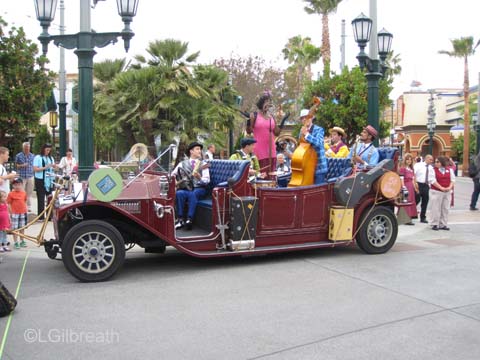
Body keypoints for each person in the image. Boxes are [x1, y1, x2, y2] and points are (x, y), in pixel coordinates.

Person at [172, 142, 210, 230]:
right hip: (187, 188)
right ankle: (180, 219)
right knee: (179, 193)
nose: (199, 151)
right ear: (191, 151)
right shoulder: (182, 163)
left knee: (193, 194)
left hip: (200, 189)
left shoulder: (203, 164)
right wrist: (176, 183)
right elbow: (173, 175)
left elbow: (207, 181)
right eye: (197, 149)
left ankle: (189, 219)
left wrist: (199, 178)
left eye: (200, 149)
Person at [246, 92, 281, 175]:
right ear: (261, 104)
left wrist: (281, 122)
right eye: (266, 102)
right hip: (259, 151)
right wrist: (248, 121)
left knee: (272, 175)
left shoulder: (271, 117)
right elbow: (249, 131)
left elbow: (276, 132)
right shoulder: (254, 115)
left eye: (269, 103)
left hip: (271, 151)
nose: (268, 105)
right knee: (261, 175)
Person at [298, 109, 328, 184]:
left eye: (306, 117)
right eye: (302, 118)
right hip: (307, 167)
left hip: (319, 168)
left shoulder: (319, 129)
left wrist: (307, 135)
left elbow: (319, 143)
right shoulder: (301, 131)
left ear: (311, 118)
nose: (304, 119)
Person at [428, 156, 455, 230]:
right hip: (436, 191)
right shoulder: (433, 170)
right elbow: (432, 180)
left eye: (438, 162)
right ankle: (434, 223)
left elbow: (452, 180)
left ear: (442, 162)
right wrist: (441, 188)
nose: (436, 163)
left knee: (445, 208)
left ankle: (443, 224)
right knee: (435, 208)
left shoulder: (449, 170)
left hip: (447, 191)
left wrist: (449, 187)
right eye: (435, 162)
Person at [33, 144, 56, 220]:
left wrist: (54, 167)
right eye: (47, 150)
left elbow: (53, 168)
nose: (48, 152)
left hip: (50, 179)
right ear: (43, 150)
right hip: (40, 179)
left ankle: (50, 216)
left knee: (50, 198)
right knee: (41, 198)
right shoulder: (37, 157)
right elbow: (35, 169)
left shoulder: (51, 158)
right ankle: (41, 216)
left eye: (49, 150)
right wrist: (45, 167)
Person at [7, 178, 27, 249]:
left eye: (19, 184)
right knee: (15, 228)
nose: (17, 186)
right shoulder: (11, 194)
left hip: (23, 212)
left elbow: (24, 201)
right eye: (15, 185)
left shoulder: (24, 193)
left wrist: (25, 210)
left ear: (22, 185)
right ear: (13, 186)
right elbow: (9, 204)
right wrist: (11, 212)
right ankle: (16, 242)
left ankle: (22, 240)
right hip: (15, 213)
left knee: (22, 227)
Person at [15, 142, 35, 212]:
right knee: (22, 192)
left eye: (28, 148)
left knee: (29, 192)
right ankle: (23, 206)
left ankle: (28, 206)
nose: (27, 149)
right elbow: (16, 165)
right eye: (25, 148)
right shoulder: (18, 156)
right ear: (23, 148)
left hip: (30, 176)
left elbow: (34, 165)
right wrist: (22, 165)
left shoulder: (32, 156)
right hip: (22, 176)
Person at [398, 153, 418, 224]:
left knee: (411, 201)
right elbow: (401, 179)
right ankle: (405, 219)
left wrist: (415, 188)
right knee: (406, 202)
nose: (409, 161)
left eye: (410, 159)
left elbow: (413, 180)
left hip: (411, 187)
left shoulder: (411, 169)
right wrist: (403, 188)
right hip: (406, 186)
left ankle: (410, 217)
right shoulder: (403, 169)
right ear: (405, 160)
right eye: (407, 159)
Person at [414, 154, 434, 223]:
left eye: (432, 160)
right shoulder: (418, 165)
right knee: (417, 199)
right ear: (426, 158)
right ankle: (411, 213)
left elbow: (432, 177)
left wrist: (430, 185)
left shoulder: (431, 168)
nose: (431, 161)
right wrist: (415, 183)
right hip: (418, 184)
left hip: (426, 185)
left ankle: (423, 217)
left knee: (425, 201)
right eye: (430, 159)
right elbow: (414, 174)